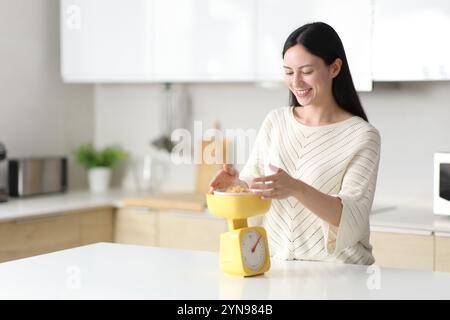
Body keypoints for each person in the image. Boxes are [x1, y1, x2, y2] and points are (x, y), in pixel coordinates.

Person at [209, 22, 381, 265]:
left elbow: (352, 220)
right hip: (279, 267)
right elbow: (256, 187)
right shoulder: (276, 121)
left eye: (307, 71)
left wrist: (296, 188)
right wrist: (235, 186)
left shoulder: (362, 136)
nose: (296, 82)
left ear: (334, 67)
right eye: (289, 72)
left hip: (342, 275)